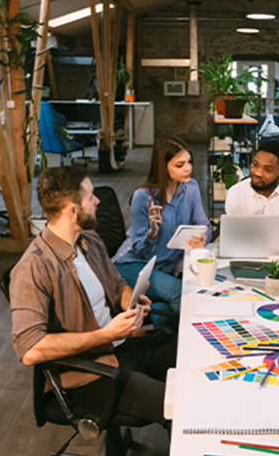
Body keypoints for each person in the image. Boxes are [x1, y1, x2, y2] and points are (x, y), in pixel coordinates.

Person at [10, 165, 175, 426]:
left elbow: (118, 283)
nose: (98, 201)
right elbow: (30, 350)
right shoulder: (34, 267)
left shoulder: (89, 239)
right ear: (73, 211)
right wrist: (107, 334)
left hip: (120, 346)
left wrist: (130, 302)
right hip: (87, 374)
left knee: (192, 352)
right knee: (178, 405)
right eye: (91, 197)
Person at [116, 136, 210, 325]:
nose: (188, 169)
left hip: (164, 268)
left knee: (162, 317)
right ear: (163, 166)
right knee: (179, 292)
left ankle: (166, 350)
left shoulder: (191, 188)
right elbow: (141, 251)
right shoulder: (142, 197)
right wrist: (152, 231)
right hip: (134, 265)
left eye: (189, 162)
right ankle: (194, 343)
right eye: (179, 165)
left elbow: (204, 225)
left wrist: (202, 238)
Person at [225, 140, 279, 241]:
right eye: (255, 164)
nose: (258, 173)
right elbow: (233, 236)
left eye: (268, 170)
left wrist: (265, 238)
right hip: (244, 254)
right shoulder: (236, 192)